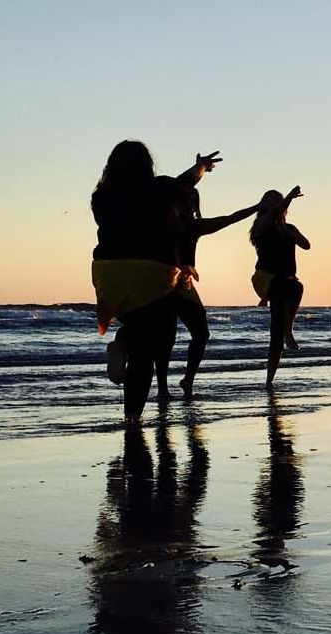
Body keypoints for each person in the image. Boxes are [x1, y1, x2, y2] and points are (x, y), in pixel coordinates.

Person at [90, 140, 218, 425]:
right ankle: (133, 417)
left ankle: (123, 342)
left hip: (108, 274)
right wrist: (202, 167)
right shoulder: (158, 188)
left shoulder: (101, 197)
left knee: (135, 327)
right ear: (146, 165)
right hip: (150, 274)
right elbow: (186, 181)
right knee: (146, 351)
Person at [155, 186, 264, 401]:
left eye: (191, 202)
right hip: (162, 285)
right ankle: (162, 388)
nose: (187, 205)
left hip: (184, 285)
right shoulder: (163, 225)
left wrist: (258, 207)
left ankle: (186, 380)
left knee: (200, 333)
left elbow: (230, 218)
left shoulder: (193, 226)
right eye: (184, 201)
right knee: (165, 337)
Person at [249, 186, 308, 388]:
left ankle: (287, 332)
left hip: (286, 282)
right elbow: (271, 216)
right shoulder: (261, 225)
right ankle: (269, 379)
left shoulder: (288, 228)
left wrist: (288, 231)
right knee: (276, 327)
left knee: (296, 288)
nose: (276, 206)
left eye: (278, 202)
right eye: (272, 202)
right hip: (266, 279)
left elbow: (306, 244)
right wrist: (289, 198)